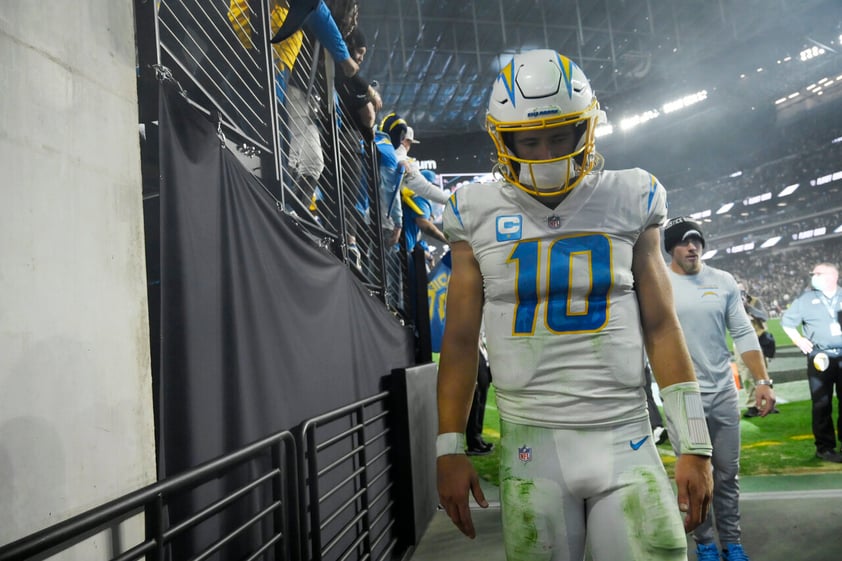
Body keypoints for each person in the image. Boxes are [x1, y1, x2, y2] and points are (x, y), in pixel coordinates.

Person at [436, 49, 713, 561]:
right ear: (505, 140)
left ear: (585, 130)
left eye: (559, 136)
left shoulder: (630, 195)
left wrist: (693, 442)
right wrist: (449, 449)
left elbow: (661, 325)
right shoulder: (474, 212)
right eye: (530, 140)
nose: (545, 153)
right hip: (530, 446)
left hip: (624, 433)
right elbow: (458, 342)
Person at [665, 217, 776, 561]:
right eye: (684, 242)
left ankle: (732, 543)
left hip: (724, 392)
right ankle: (706, 544)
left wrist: (762, 381)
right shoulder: (658, 283)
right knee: (697, 478)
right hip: (686, 397)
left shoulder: (723, 281)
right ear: (670, 247)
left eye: (696, 241)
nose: (692, 247)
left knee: (728, 474)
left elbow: (743, 332)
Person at [781, 262, 842, 463]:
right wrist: (798, 339)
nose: (813, 276)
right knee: (821, 404)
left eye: (818, 273)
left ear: (833, 276)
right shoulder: (806, 299)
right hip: (820, 358)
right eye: (813, 273)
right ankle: (825, 448)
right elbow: (787, 323)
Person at [735, 281, 778, 418]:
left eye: (742, 290)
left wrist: (748, 307)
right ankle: (752, 405)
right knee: (746, 375)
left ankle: (769, 403)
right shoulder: (731, 303)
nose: (740, 293)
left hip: (758, 339)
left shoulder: (755, 301)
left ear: (746, 290)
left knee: (763, 373)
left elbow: (764, 316)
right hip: (740, 341)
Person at [465, 337, 493, 456]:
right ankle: (474, 443)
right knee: (474, 412)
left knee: (480, 410)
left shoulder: (480, 342)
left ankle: (479, 439)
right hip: (475, 382)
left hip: (483, 380)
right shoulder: (469, 343)